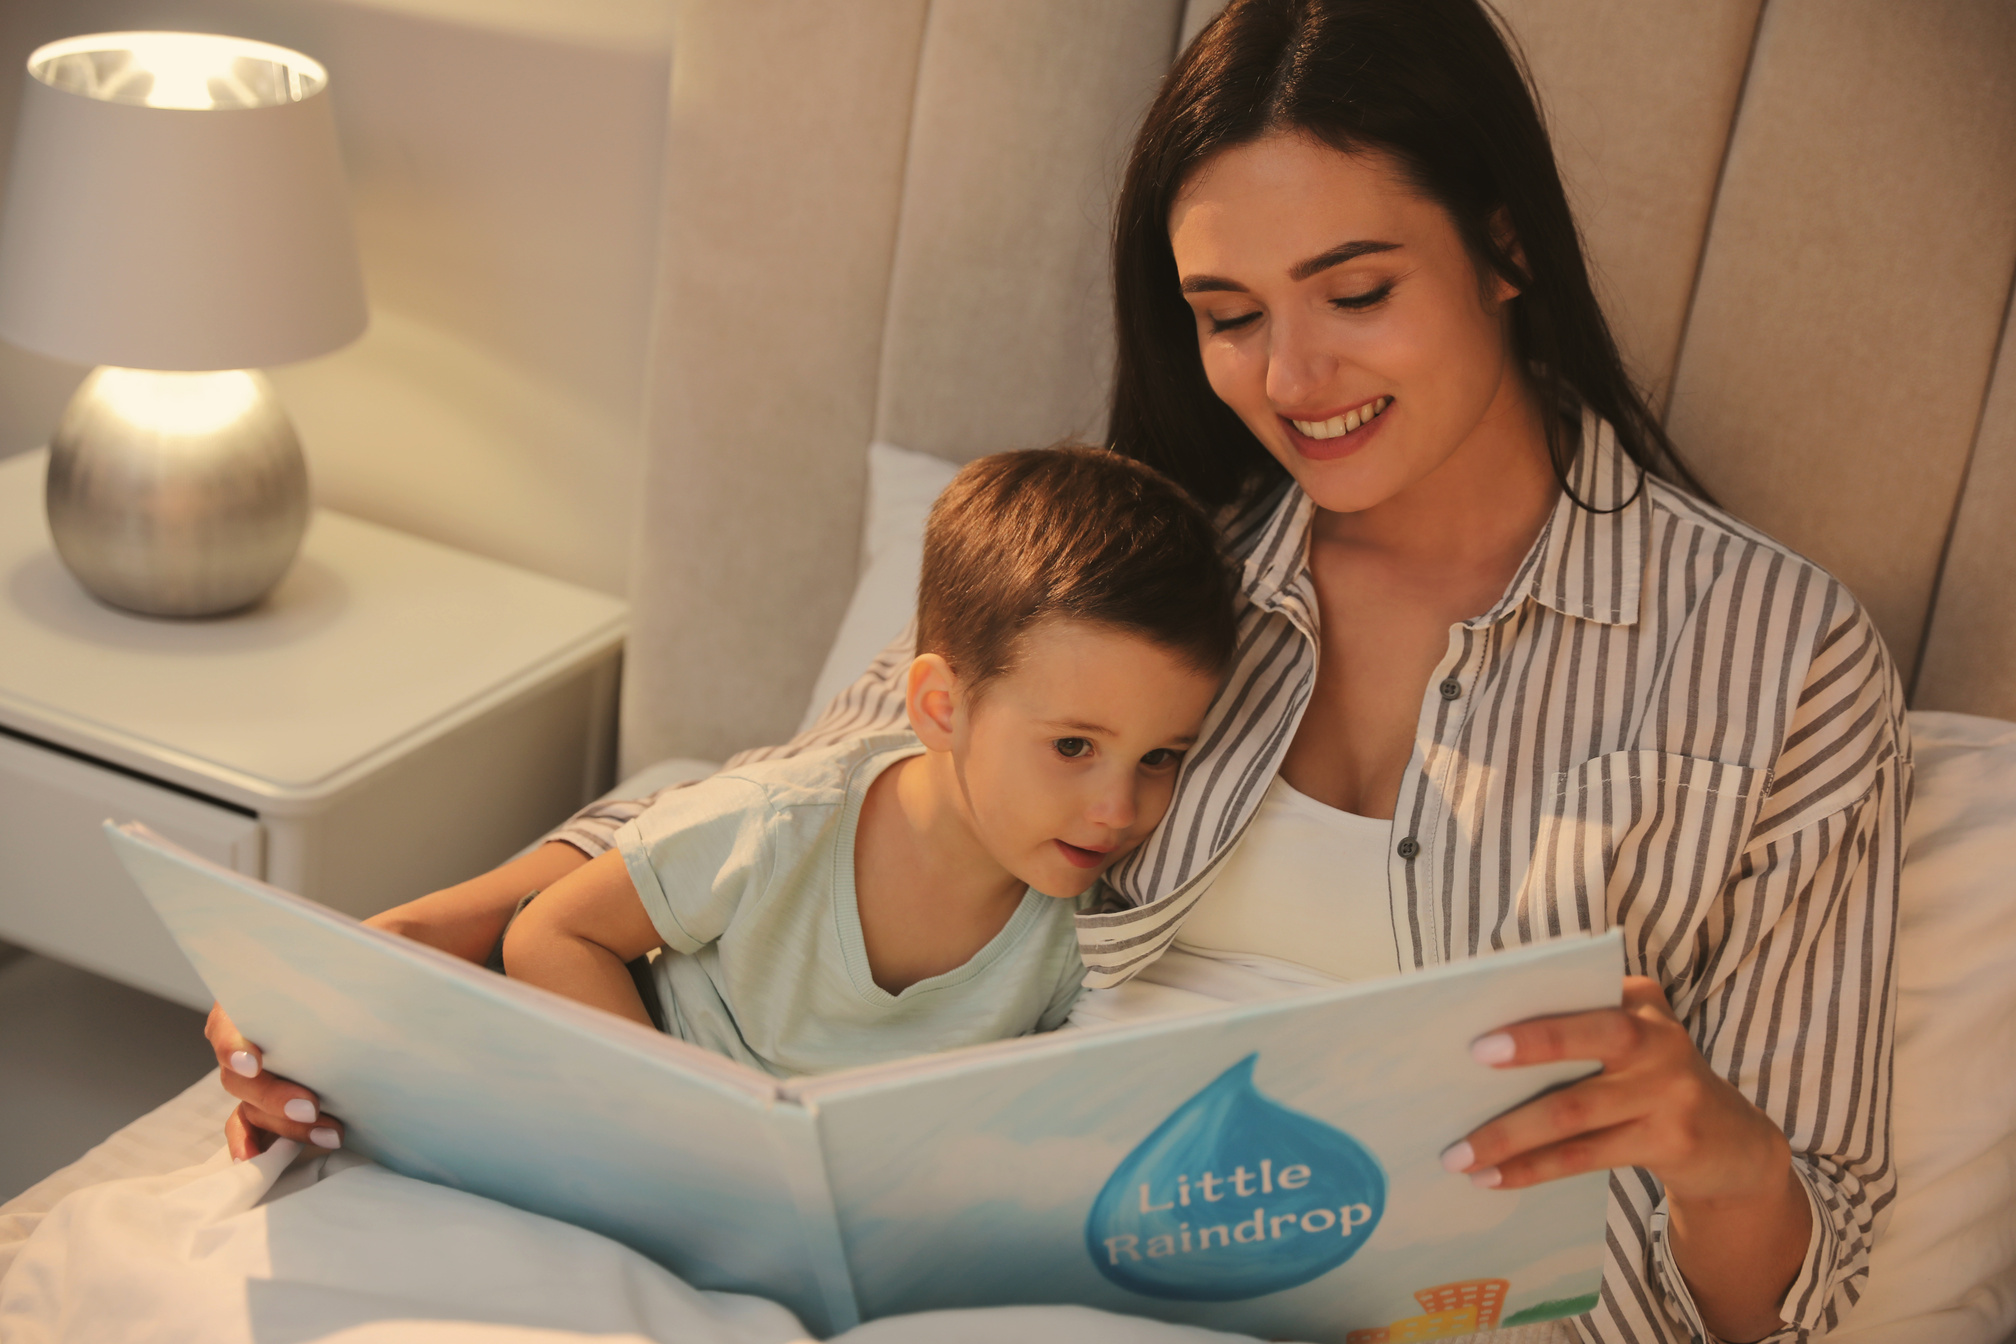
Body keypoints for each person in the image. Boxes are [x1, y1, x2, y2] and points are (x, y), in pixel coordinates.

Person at [210, 2, 1904, 1342]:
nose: (1292, 376)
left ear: (1505, 246)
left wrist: (1713, 1141)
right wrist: (383, 963)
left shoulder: (1775, 654)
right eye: (1228, 313)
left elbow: (1803, 1280)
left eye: (1357, 291)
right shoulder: (1156, 564)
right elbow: (807, 798)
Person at [497, 448, 1233, 1076]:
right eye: (1073, 746)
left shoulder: (1081, 933)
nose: (1119, 810)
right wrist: (676, 1123)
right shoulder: (776, 821)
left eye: (1159, 757)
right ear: (942, 708)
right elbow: (551, 934)